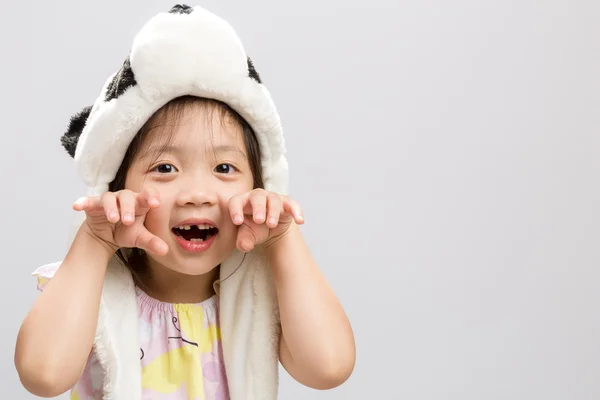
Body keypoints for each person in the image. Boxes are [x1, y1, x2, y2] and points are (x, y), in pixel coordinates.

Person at [14, 4, 355, 399]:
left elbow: (329, 368)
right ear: (119, 188)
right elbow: (42, 376)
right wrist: (95, 243)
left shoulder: (265, 289)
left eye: (224, 168)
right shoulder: (86, 285)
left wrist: (282, 240)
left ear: (259, 187)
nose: (196, 193)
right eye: (165, 168)